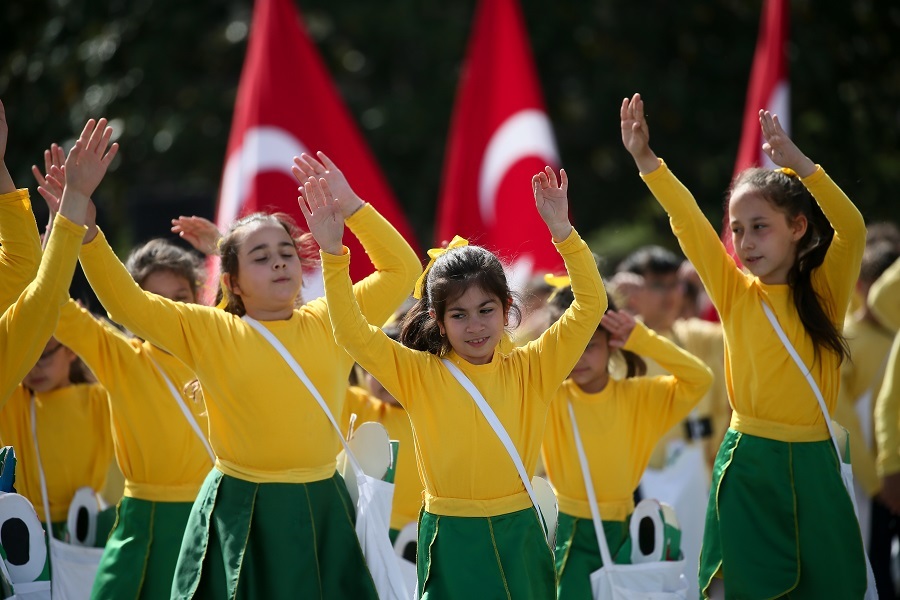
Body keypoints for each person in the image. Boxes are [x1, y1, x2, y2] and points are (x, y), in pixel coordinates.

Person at [77, 151, 420, 598]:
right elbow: (126, 304)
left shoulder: (333, 319)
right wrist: (85, 229)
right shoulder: (211, 330)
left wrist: (352, 206)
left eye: (286, 252)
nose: (279, 262)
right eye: (260, 257)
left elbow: (403, 270)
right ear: (232, 283)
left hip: (321, 506)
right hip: (240, 509)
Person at [302, 165, 606, 598]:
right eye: (458, 315)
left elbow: (592, 304)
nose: (475, 326)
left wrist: (563, 233)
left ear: (507, 309)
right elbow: (350, 331)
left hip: (519, 530)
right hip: (449, 533)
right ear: (438, 323)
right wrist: (336, 253)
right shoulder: (418, 373)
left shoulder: (534, 367)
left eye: (486, 310)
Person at [621, 93, 868, 598]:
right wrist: (648, 162)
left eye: (760, 227)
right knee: (742, 587)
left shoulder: (824, 290)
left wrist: (802, 168)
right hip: (748, 464)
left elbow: (853, 228)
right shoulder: (733, 291)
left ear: (798, 228)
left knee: (831, 586)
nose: (746, 242)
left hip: (816, 465)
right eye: (737, 231)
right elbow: (689, 226)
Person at [35, 146, 216, 598]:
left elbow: (269, 310)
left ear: (201, 295)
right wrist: (64, 239)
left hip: (215, 518)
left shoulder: (223, 342)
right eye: (154, 302)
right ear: (133, 308)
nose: (170, 312)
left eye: (181, 297)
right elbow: (52, 310)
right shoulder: (120, 354)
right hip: (143, 522)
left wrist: (222, 249)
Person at [541, 290, 712, 599]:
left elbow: (700, 378)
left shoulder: (640, 397)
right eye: (571, 347)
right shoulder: (548, 397)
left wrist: (640, 338)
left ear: (611, 344)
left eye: (590, 346)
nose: (579, 358)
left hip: (625, 529)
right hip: (569, 532)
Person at [1, 115, 117, 403]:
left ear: (69, 351)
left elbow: (40, 292)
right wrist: (72, 203)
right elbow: (40, 290)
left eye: (44, 350)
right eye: (38, 351)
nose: (36, 363)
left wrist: (74, 203)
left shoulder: (99, 404)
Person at [0, 337, 114, 540]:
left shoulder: (101, 400)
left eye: (43, 355)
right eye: (26, 357)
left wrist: (73, 322)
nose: (33, 367)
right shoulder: (13, 402)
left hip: (88, 530)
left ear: (71, 349)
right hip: (27, 529)